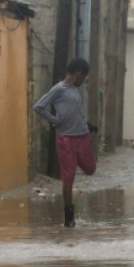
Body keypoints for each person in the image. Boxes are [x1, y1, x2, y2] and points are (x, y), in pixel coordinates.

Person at [34, 58, 97, 227]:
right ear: (78, 74)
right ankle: (69, 218)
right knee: (68, 179)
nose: (83, 81)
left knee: (91, 168)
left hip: (82, 136)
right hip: (66, 139)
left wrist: (86, 125)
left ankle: (75, 161)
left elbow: (75, 112)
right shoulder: (59, 89)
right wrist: (55, 120)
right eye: (84, 77)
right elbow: (38, 106)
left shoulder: (75, 90)